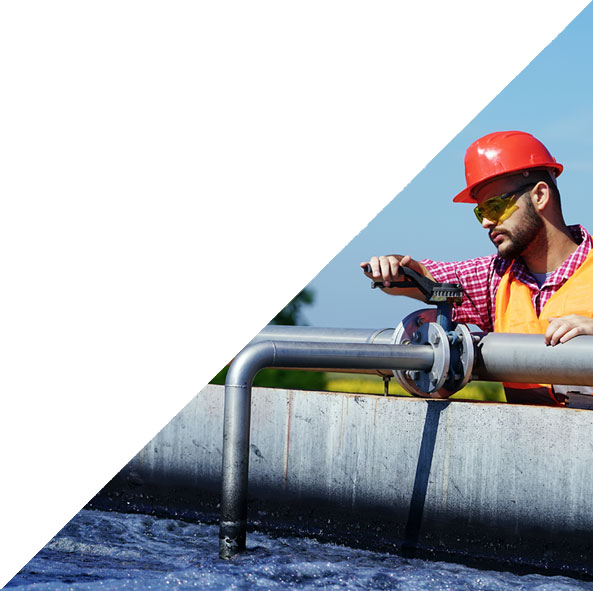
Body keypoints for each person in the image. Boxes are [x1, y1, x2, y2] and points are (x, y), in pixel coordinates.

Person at [361, 130, 593, 406]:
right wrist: (392, 268)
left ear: (540, 195)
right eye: (480, 213)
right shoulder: (495, 278)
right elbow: (421, 275)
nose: (486, 223)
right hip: (532, 446)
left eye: (495, 207)